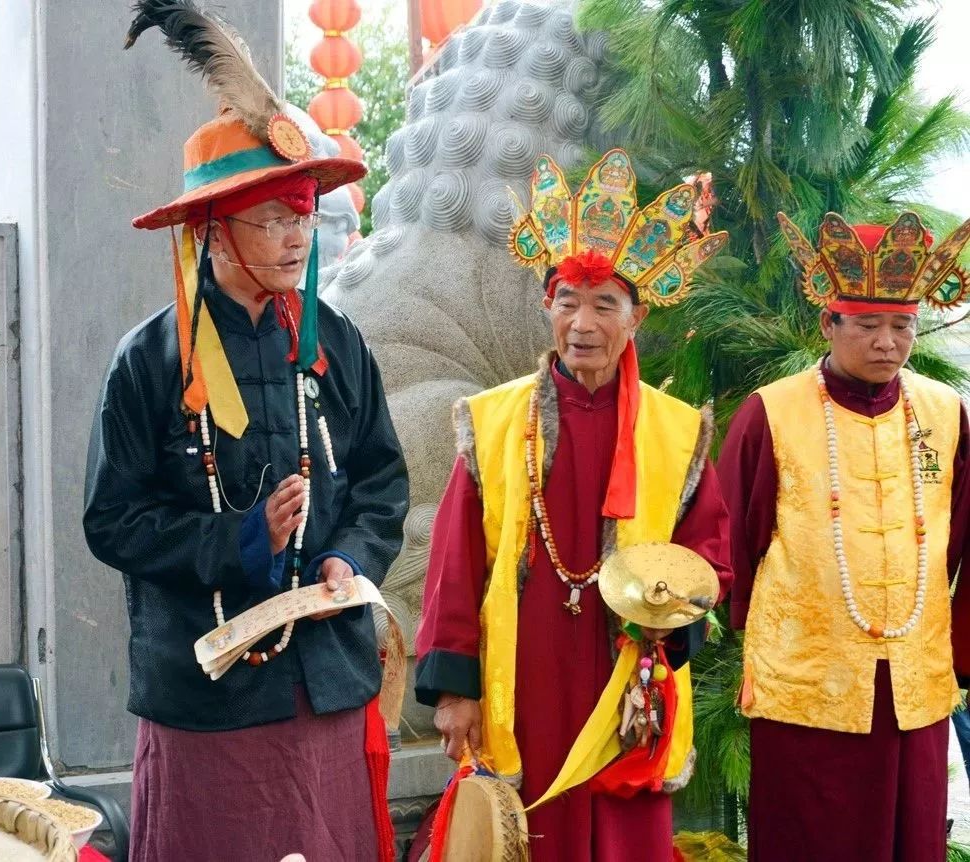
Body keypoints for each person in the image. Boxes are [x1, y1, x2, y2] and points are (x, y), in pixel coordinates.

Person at [83, 5, 407, 860]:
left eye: (304, 213)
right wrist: (241, 540)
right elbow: (112, 520)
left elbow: (380, 479)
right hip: (208, 694)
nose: (299, 235)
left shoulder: (335, 340)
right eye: (274, 217)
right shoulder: (149, 361)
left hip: (326, 682)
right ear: (214, 229)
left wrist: (354, 559)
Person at [414, 149, 733, 861]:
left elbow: (711, 556)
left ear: (636, 316)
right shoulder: (495, 423)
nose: (582, 323)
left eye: (603, 305)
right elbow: (456, 566)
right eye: (567, 302)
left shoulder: (677, 431)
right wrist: (454, 689)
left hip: (631, 673)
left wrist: (669, 625)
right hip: (527, 671)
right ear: (546, 308)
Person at [717, 210, 970, 861]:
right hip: (807, 685)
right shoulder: (770, 413)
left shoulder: (945, 412)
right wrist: (740, 625)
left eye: (902, 325)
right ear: (829, 323)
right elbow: (729, 538)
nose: (888, 342)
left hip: (914, 683)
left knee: (909, 839)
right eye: (867, 325)